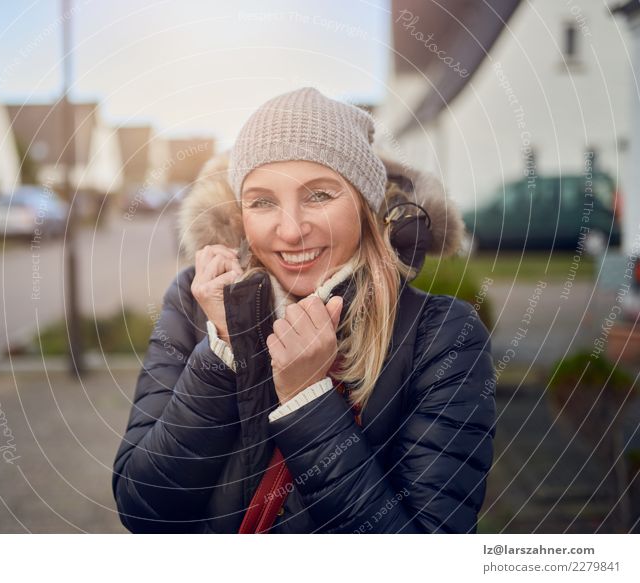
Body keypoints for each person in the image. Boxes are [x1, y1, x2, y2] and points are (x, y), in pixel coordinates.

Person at [112, 87, 496, 533]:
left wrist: (308, 401)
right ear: (240, 214)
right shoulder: (194, 302)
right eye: (261, 201)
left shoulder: (442, 335)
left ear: (365, 205)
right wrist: (221, 355)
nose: (291, 231)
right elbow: (143, 509)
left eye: (319, 195)